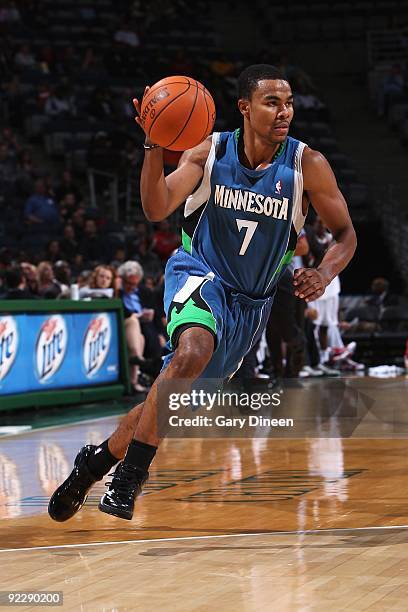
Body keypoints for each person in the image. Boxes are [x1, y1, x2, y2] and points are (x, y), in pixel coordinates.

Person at [49, 64, 356, 522]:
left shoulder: (307, 165)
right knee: (192, 349)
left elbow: (346, 234)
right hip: (199, 273)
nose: (284, 112)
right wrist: (153, 145)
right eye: (272, 102)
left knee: (169, 400)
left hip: (250, 306)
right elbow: (156, 208)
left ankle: (93, 464)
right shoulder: (209, 151)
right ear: (244, 107)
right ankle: (131, 477)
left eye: (288, 102)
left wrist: (325, 271)